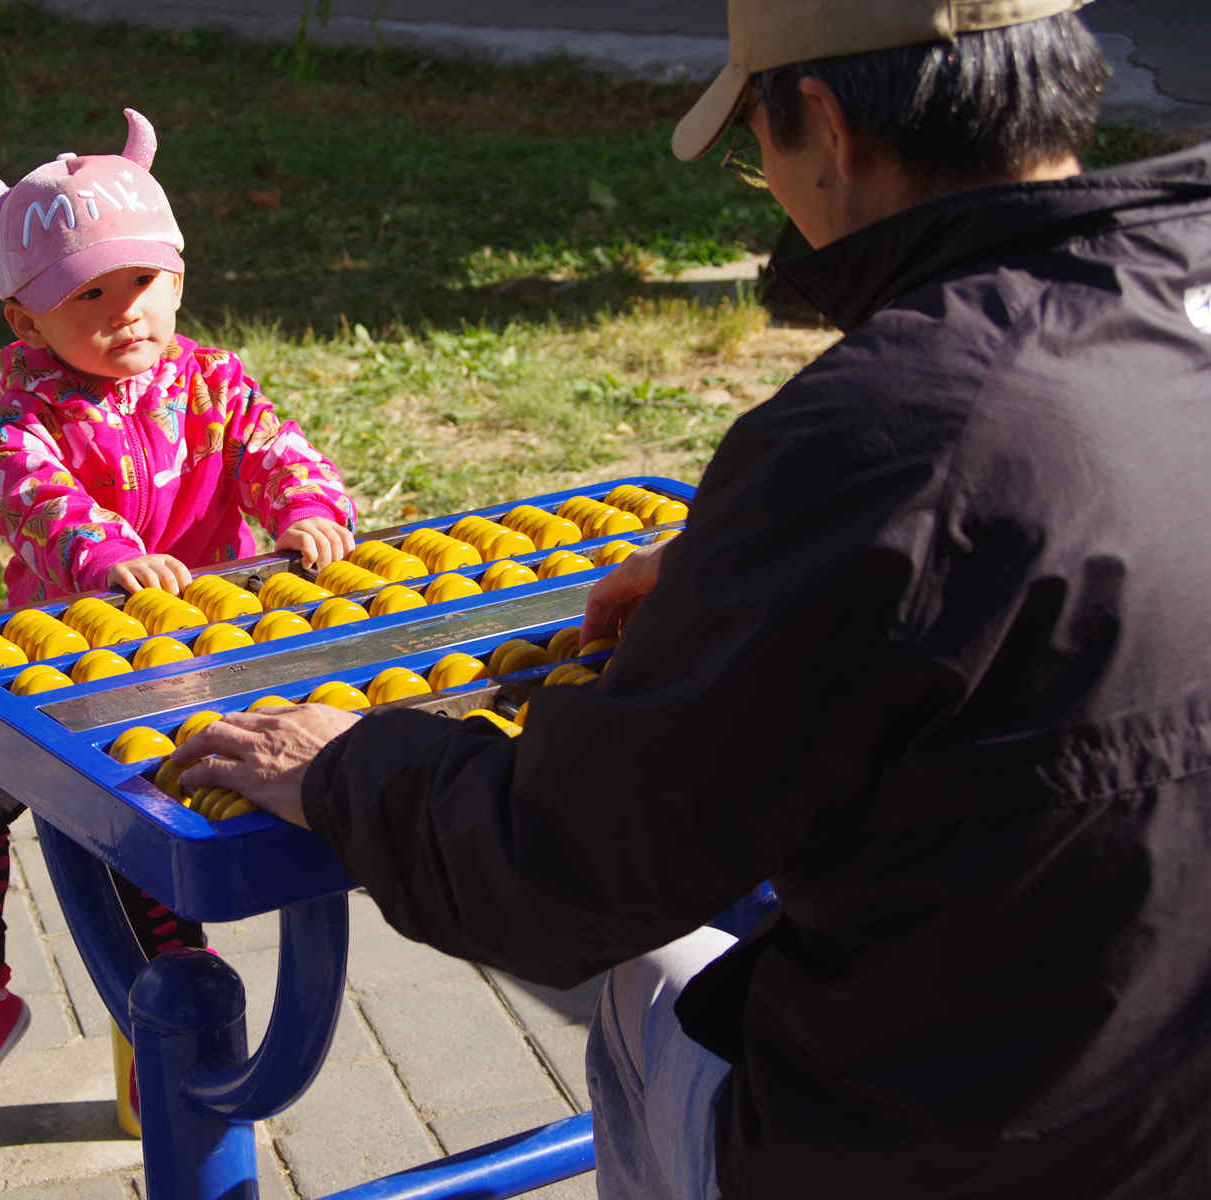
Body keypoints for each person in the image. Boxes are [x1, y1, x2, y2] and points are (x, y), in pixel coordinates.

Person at [173, 3, 1211, 1197]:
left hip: (966, 1153)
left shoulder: (887, 429)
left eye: (753, 137)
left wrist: (349, 765)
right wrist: (768, 566)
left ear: (825, 124)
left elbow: (564, 871)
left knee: (642, 985)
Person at [0, 108, 356, 1143]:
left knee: (144, 816)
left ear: (178, 279)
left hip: (202, 647)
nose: (125, 313)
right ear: (28, 323)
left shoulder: (214, 384)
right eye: (87, 296)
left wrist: (306, 509)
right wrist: (109, 560)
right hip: (69, 657)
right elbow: (40, 503)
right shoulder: (24, 418)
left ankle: (174, 1006)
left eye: (141, 281)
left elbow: (274, 450)